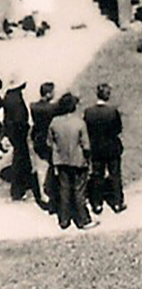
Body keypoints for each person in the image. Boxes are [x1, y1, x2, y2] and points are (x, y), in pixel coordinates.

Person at [47, 92, 97, 231]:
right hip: (78, 160)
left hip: (61, 160)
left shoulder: (55, 122)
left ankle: (64, 220)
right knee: (79, 190)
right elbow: (86, 145)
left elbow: (50, 142)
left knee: (64, 189)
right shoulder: (79, 123)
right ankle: (83, 220)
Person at [83, 82, 126, 214]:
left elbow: (87, 129)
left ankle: (97, 204)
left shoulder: (89, 112)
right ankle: (117, 202)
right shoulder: (113, 111)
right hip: (112, 147)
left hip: (96, 147)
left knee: (97, 175)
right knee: (115, 174)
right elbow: (118, 129)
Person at [2, 72, 41, 204]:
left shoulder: (8, 96)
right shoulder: (17, 99)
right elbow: (20, 120)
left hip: (13, 133)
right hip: (19, 134)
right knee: (20, 159)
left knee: (22, 160)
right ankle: (18, 191)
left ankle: (23, 185)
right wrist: (25, 129)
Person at [30, 81, 58, 212]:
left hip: (38, 139)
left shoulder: (34, 106)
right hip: (48, 140)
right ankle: (52, 195)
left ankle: (44, 197)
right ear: (48, 94)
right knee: (51, 169)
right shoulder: (52, 108)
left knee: (41, 169)